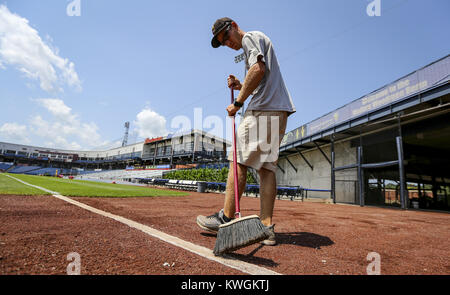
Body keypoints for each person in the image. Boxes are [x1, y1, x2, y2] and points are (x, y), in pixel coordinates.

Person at [196, 17, 296, 246]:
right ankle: (266, 228)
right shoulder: (258, 41)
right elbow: (260, 75)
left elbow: (258, 69)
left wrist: (238, 102)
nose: (227, 43)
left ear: (233, 25)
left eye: (226, 37)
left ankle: (225, 217)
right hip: (277, 109)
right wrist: (241, 85)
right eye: (222, 43)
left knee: (238, 161)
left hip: (262, 109)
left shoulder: (250, 36)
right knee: (266, 168)